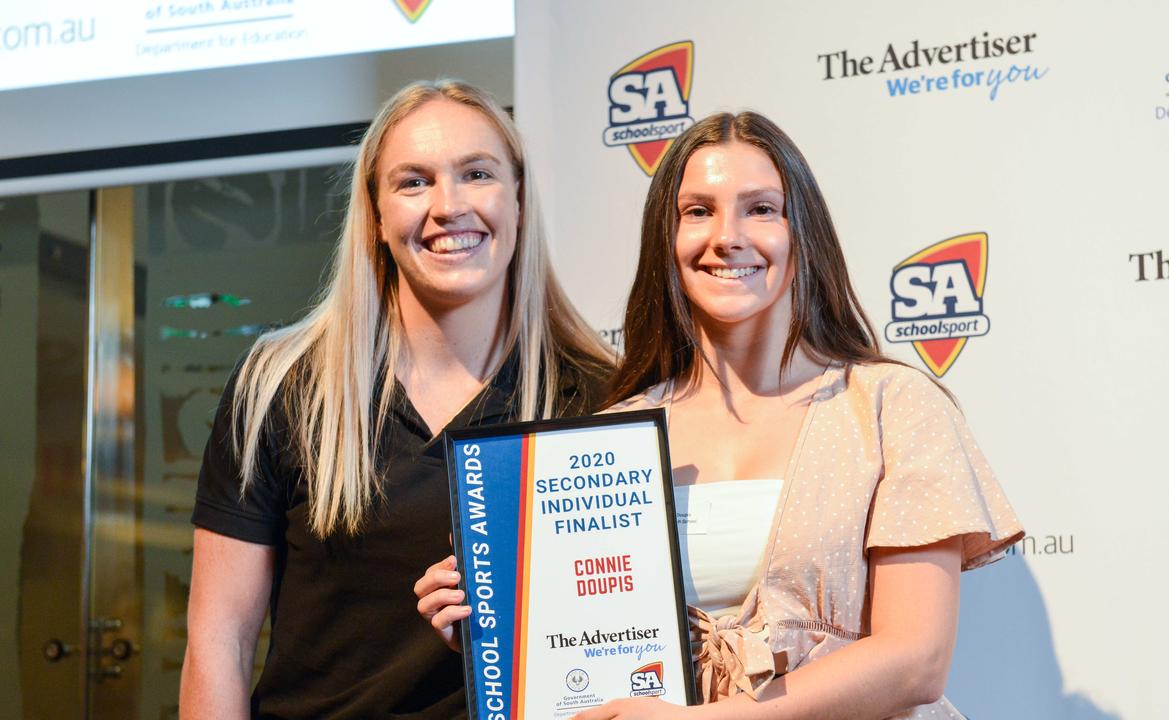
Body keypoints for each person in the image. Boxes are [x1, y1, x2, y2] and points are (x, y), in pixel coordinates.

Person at [419, 110, 1022, 719]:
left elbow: (916, 658)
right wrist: (498, 635)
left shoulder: (893, 406)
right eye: (698, 211)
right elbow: (587, 656)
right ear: (668, 239)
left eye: (760, 208)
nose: (727, 236)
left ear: (802, 232)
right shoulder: (616, 431)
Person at [181, 80, 613, 719]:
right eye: (414, 182)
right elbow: (219, 640)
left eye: (476, 174)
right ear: (376, 215)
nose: (449, 206)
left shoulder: (599, 397)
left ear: (518, 199)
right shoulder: (278, 383)